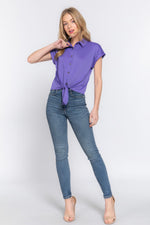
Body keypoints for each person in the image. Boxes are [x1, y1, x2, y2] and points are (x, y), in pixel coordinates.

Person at [27, 6, 116, 224]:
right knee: (60, 153)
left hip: (77, 103)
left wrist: (95, 108)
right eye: (65, 23)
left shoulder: (94, 49)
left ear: (79, 22)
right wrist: (54, 44)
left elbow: (97, 80)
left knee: (92, 152)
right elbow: (31, 59)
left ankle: (109, 199)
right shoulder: (61, 49)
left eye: (72, 21)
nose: (69, 26)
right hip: (54, 103)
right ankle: (69, 200)